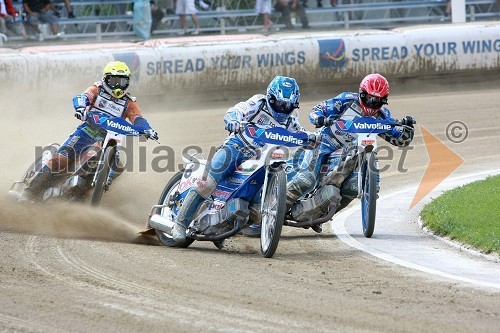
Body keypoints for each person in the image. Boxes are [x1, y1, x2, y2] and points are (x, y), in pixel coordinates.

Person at [171, 75, 306, 243]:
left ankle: (227, 224)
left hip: (263, 161)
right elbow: (237, 110)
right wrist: (233, 119)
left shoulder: (292, 120)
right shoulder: (258, 103)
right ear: (270, 97)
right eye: (279, 103)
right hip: (237, 148)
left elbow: (301, 134)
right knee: (207, 183)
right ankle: (180, 223)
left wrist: (312, 139)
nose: (282, 109)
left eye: (287, 105)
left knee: (257, 210)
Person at [285, 73, 415, 232]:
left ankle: (319, 215)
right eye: (370, 99)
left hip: (353, 153)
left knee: (354, 187)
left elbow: (400, 140)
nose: (373, 104)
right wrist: (320, 118)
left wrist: (408, 129)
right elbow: (316, 110)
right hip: (324, 144)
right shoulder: (346, 100)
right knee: (307, 179)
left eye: (378, 100)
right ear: (362, 94)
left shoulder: (382, 116)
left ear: (384, 100)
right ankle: (279, 210)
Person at [24, 61, 159, 200]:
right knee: (61, 159)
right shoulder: (97, 89)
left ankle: (85, 192)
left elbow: (138, 119)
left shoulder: (129, 102)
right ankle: (30, 192)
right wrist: (81, 108)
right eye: (114, 80)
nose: (118, 85)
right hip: (86, 131)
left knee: (118, 166)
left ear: (128, 82)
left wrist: (148, 130)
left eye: (122, 81)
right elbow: (82, 98)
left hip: (110, 139)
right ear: (106, 79)